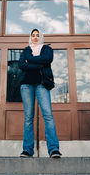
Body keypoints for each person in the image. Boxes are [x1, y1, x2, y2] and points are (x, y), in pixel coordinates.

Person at [18, 28, 61, 158]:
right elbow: (21, 65)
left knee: (48, 115)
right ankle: (27, 150)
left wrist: (30, 60)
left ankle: (53, 149)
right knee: (28, 118)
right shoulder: (26, 50)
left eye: (38, 35)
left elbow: (47, 59)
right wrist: (40, 64)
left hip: (42, 85)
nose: (35, 37)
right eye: (33, 35)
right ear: (30, 37)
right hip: (26, 85)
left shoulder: (47, 49)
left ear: (41, 37)